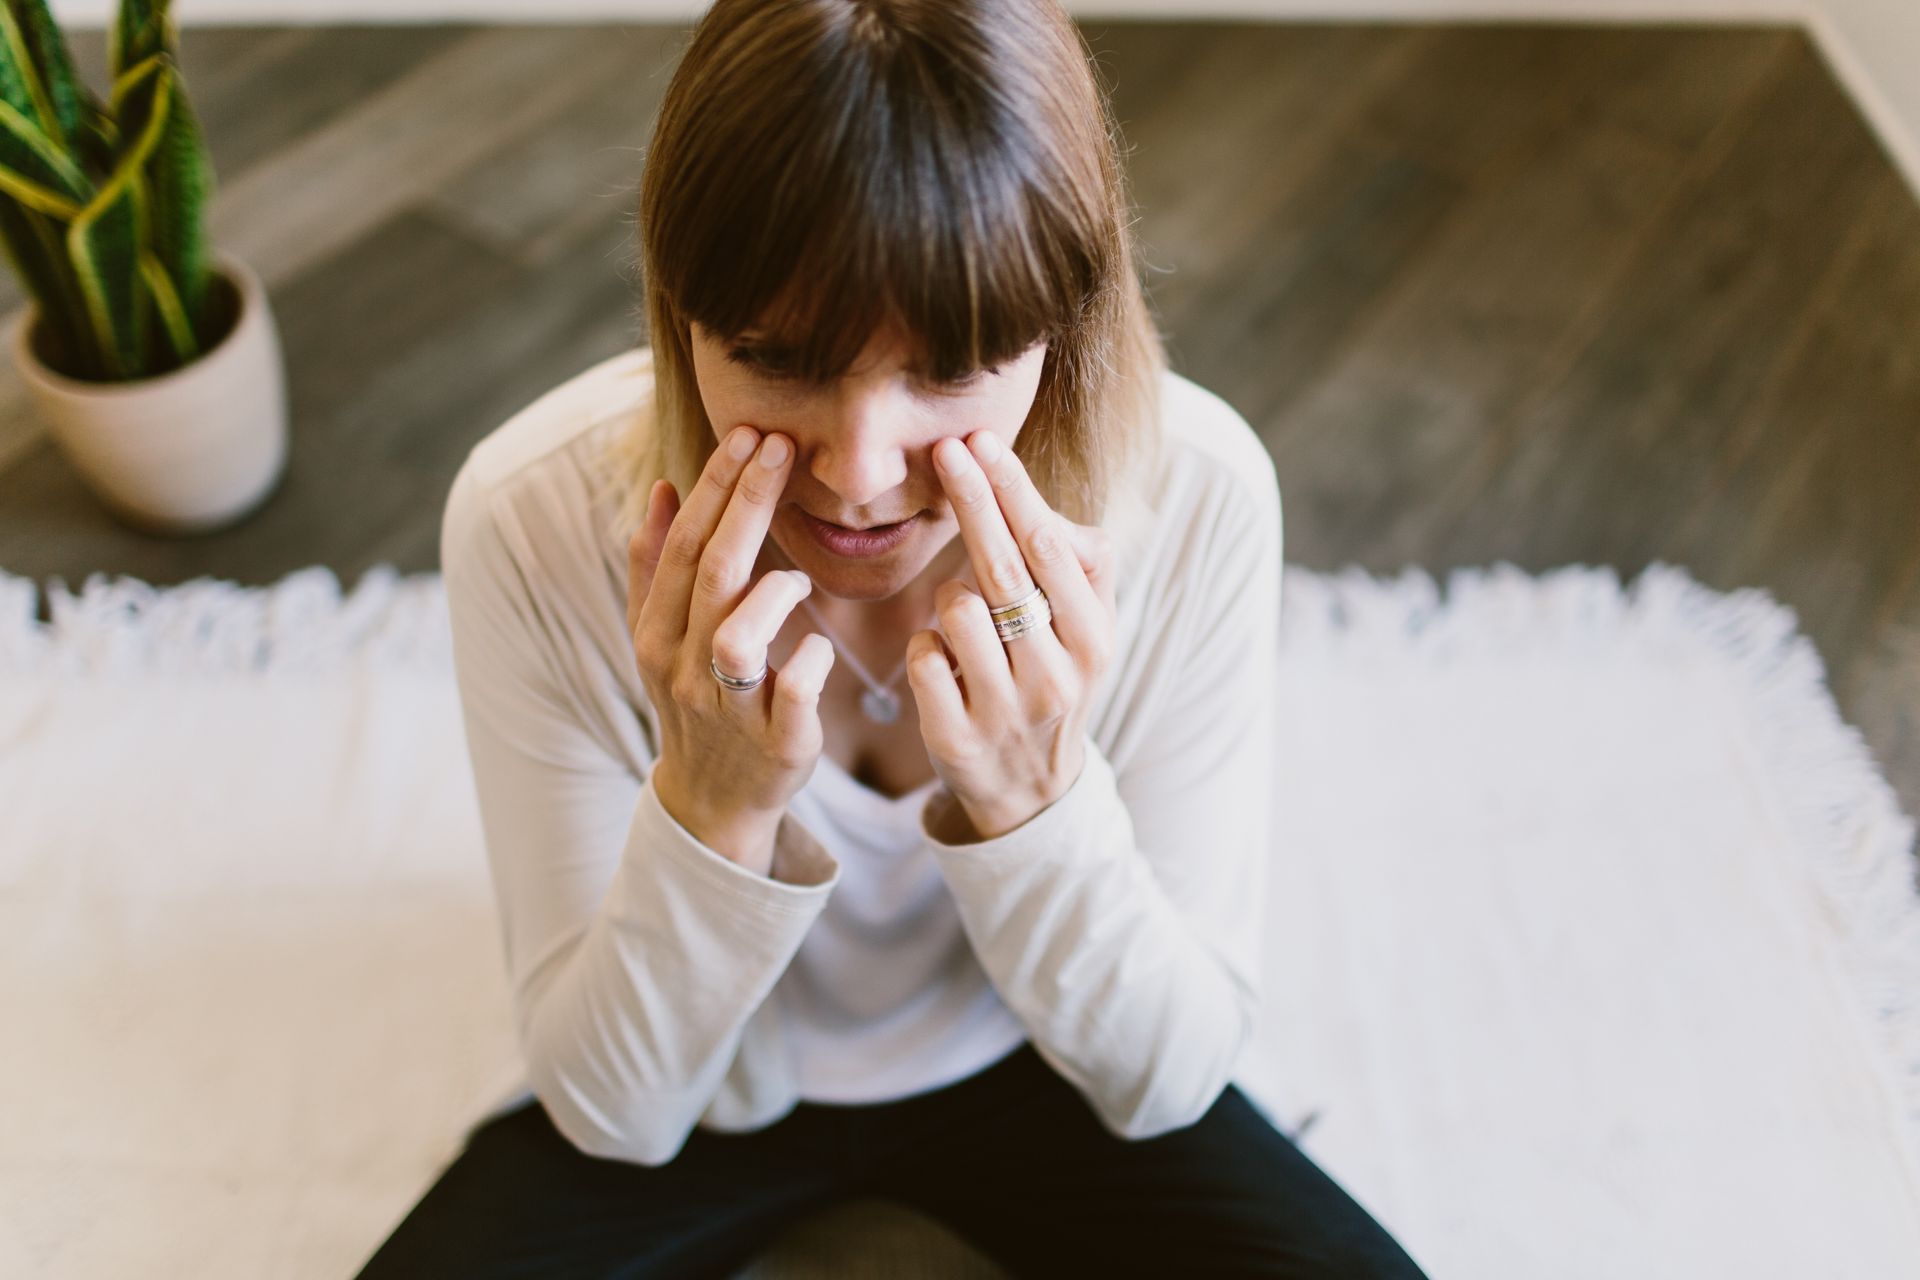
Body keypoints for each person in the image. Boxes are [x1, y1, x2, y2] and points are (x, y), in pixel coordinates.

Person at [356, 1, 1432, 1276]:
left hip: (1043, 1060)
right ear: (678, 309)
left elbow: (1165, 1078)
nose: (860, 473)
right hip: (713, 1077)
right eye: (775, 356)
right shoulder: (532, 517)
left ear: (1061, 326)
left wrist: (1036, 797)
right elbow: (615, 1107)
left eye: (952, 365)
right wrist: (711, 806)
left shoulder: (1198, 498)